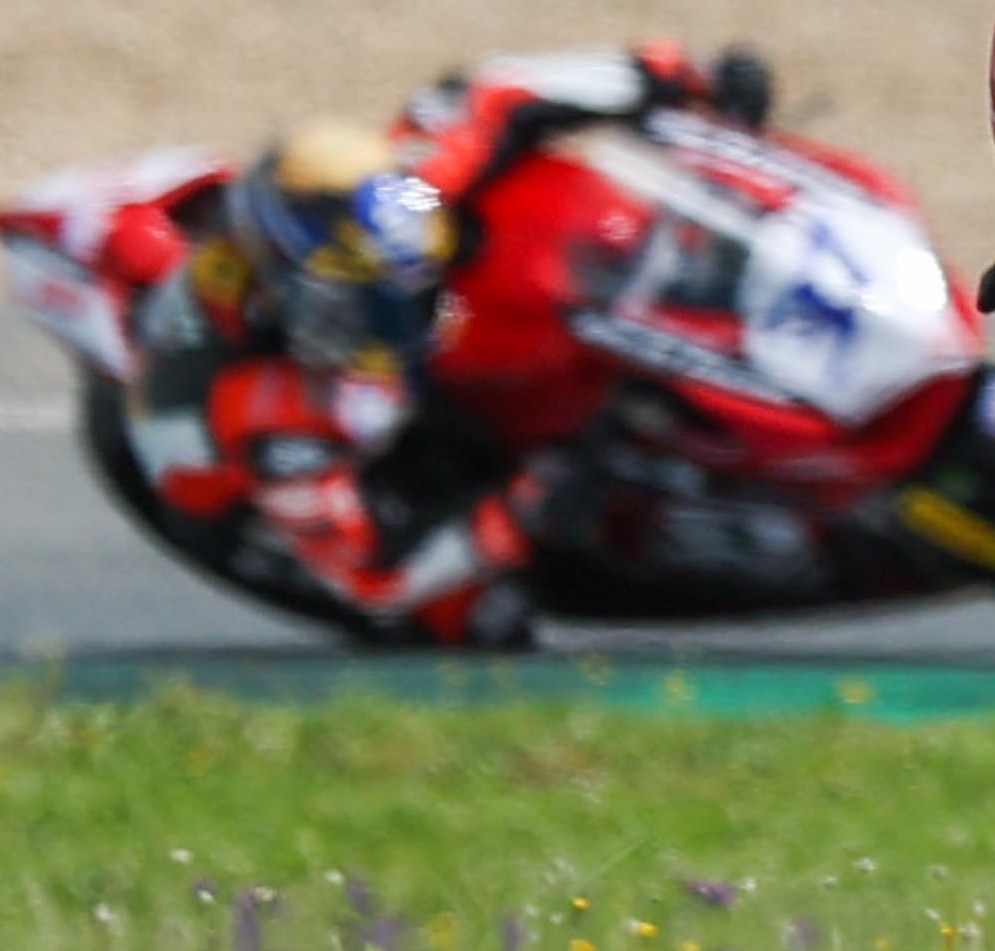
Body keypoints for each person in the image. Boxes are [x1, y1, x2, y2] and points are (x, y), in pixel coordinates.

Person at [120, 40, 763, 643]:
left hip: (478, 328)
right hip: (332, 464)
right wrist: (525, 505)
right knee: (481, 622)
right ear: (297, 301)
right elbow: (377, 579)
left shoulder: (408, 191)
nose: (401, 315)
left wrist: (678, 73)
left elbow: (501, 90)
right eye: (370, 303)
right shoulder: (273, 416)